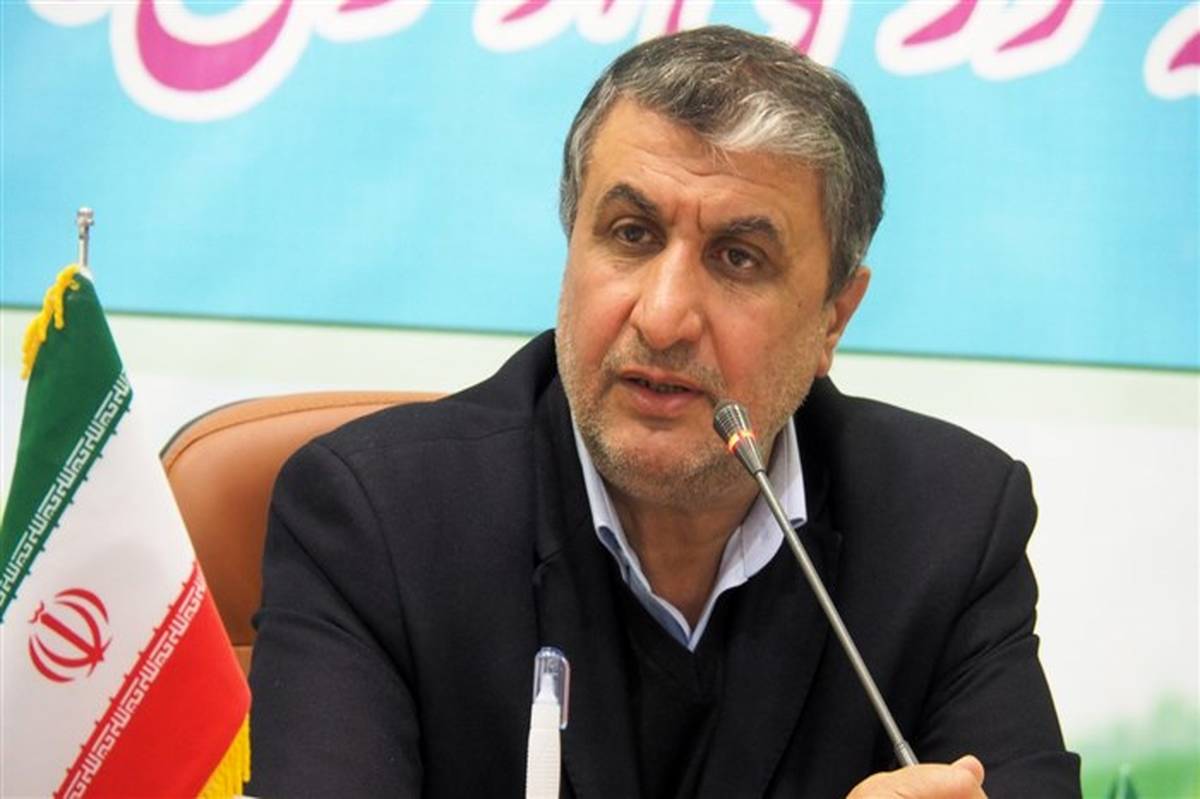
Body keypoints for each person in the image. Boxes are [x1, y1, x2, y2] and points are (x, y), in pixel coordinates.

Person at [246, 26, 1080, 798]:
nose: (664, 316)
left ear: (834, 317)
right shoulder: (377, 524)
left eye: (738, 257)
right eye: (632, 234)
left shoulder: (947, 527)